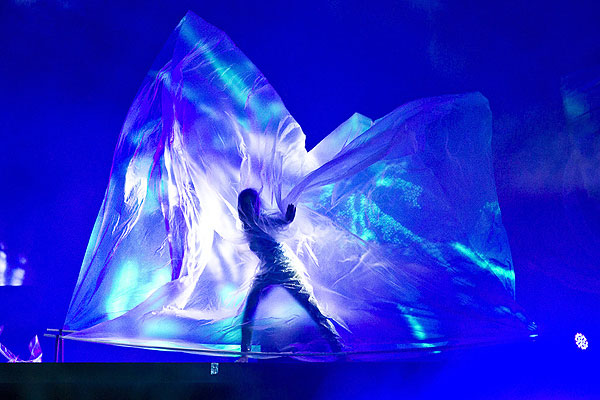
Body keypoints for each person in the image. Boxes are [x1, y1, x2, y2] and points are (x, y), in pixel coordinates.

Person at [236, 188, 343, 362]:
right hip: (266, 271)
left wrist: (286, 219)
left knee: (312, 308)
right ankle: (244, 356)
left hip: (286, 269)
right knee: (249, 311)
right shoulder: (245, 227)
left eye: (252, 204)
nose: (249, 208)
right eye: (245, 205)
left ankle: (339, 349)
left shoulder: (263, 221)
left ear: (256, 206)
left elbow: (279, 222)